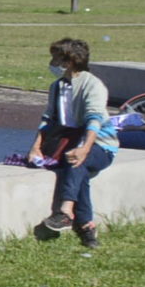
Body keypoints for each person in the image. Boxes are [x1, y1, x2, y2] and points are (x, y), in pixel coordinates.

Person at [33, 38, 115, 250]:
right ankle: (87, 227)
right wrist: (36, 146)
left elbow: (94, 119)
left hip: (100, 145)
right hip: (68, 140)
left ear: (68, 62)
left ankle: (66, 211)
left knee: (77, 160)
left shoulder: (93, 85)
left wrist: (85, 148)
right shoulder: (57, 86)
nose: (52, 62)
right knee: (80, 173)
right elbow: (48, 119)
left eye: (56, 58)